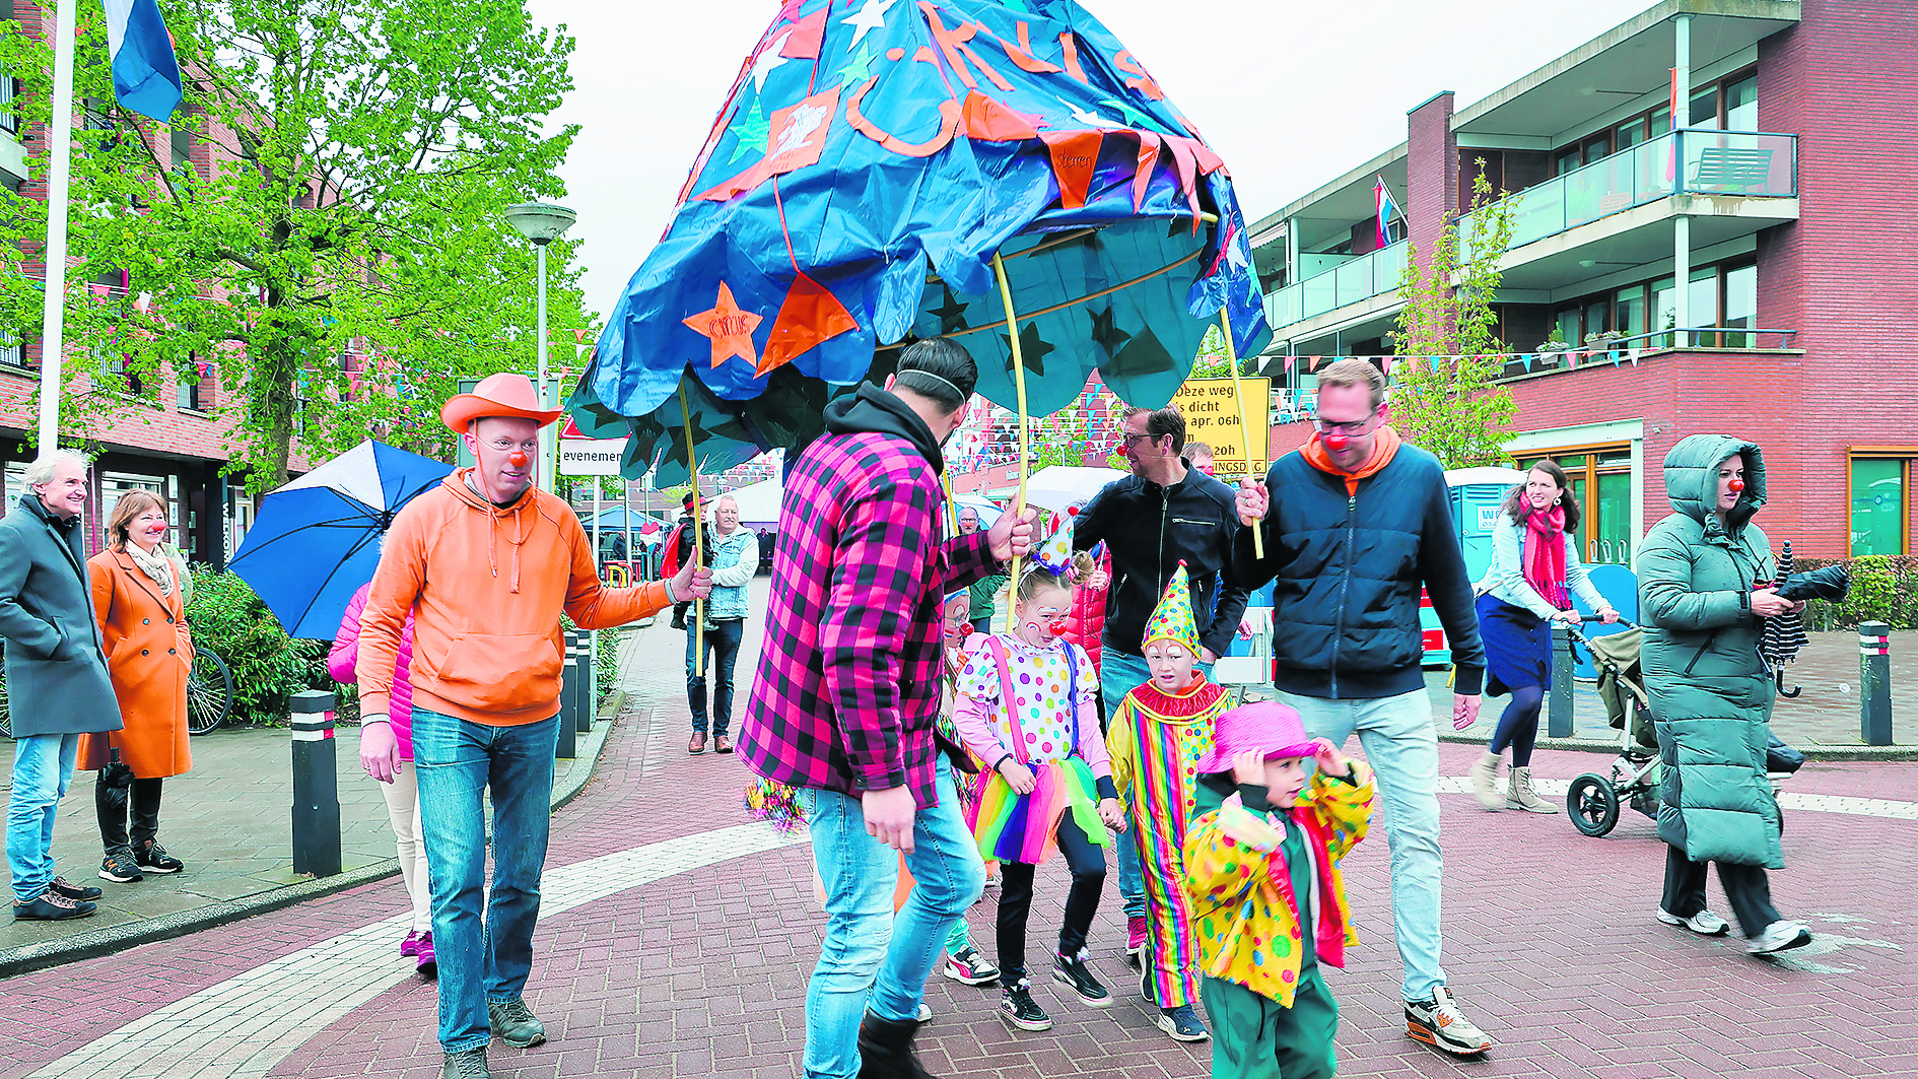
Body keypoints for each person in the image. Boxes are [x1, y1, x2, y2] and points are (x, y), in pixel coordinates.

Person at [355, 372, 711, 1079]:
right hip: (446, 719)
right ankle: (463, 1036)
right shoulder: (425, 519)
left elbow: (590, 605)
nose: (519, 455)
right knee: (456, 880)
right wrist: (373, 717)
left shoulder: (557, 520)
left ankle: (504, 992)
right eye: (505, 441)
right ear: (473, 441)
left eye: (529, 442)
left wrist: (666, 592)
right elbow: (381, 621)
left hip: (532, 722)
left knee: (520, 875)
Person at [739, 338, 1036, 1079]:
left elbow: (895, 574)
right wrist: (881, 778)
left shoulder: (832, 446)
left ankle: (885, 1034)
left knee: (955, 880)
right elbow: (855, 643)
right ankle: (833, 1069)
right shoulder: (905, 475)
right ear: (963, 416)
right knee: (856, 936)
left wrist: (982, 549)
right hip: (848, 740)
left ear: (893, 381)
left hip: (883, 727)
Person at [1232, 358, 1493, 1056]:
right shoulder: (1285, 476)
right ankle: (1278, 981)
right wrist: (1245, 524)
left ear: (1381, 413)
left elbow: (1447, 573)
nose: (1335, 436)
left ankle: (1425, 995)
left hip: (1396, 687)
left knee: (1419, 835)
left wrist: (1470, 665)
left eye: (1349, 424)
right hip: (1306, 689)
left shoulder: (1420, 474)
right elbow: (1247, 572)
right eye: (1323, 422)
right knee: (1290, 840)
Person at [1074, 403, 1248, 967]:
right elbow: (1070, 543)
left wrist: (1214, 647)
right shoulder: (1118, 497)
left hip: (1196, 666)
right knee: (1130, 789)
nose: (1123, 449)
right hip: (1126, 658)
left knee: (1196, 791)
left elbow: (1239, 584)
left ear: (1166, 443)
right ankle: (1138, 915)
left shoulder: (1218, 502)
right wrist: (1073, 563)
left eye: (1132, 440)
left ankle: (1195, 903)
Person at [1638, 435, 1812, 956]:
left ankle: (1681, 901)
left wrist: (1785, 603)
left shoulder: (1753, 537)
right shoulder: (1668, 537)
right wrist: (1745, 603)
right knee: (1729, 795)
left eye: (1741, 472)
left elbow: (1762, 596)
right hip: (1689, 683)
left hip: (1743, 682)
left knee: (1701, 789)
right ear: (1697, 479)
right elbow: (1663, 604)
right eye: (1724, 473)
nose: (1737, 483)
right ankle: (1761, 922)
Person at [951, 567, 1125, 1032]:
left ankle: (1070, 954)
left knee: (1092, 868)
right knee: (1018, 889)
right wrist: (1003, 762)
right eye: (1048, 613)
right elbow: (966, 716)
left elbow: (1089, 731)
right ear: (1020, 606)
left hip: (1066, 780)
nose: (1058, 623)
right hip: (1017, 782)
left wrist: (1106, 788)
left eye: (1065, 613)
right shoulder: (992, 653)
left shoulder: (1072, 657)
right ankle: (1014, 986)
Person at [1184, 703, 1375, 1079]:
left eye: (1300, 765)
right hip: (1239, 975)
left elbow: (1341, 832)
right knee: (1250, 1067)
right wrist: (1252, 809)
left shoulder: (1300, 816)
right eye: (1285, 766)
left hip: (1297, 967)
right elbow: (1209, 878)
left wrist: (1340, 781)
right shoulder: (1215, 822)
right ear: (1244, 771)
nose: (1300, 776)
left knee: (1313, 1052)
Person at [1106, 565, 1232, 1042]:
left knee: (1210, 910)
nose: (1162, 664)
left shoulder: (1219, 702)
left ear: (1193, 654)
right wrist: (1111, 800)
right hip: (1157, 831)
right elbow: (1115, 760)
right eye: (1154, 654)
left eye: (1173, 654)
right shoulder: (1134, 704)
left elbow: (1238, 760)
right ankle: (1174, 1000)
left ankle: (1216, 988)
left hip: (1211, 834)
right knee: (1170, 910)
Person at [0, 450, 119, 920]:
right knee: (33, 788)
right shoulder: (16, 532)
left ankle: (43, 875)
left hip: (71, 676)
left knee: (54, 786)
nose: (82, 490)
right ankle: (29, 891)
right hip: (46, 678)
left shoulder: (60, 531)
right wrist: (56, 641)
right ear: (40, 486)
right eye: (71, 482)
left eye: (84, 484)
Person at [1469, 461, 1618, 813]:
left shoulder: (1561, 528)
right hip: (1500, 611)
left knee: (1534, 699)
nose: (1536, 490)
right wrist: (1553, 612)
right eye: (1531, 484)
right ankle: (1487, 767)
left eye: (1544, 485)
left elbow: (1574, 574)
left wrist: (1603, 605)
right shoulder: (1510, 521)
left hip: (1535, 616)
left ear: (1559, 492)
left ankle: (1520, 785)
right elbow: (1512, 578)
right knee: (1527, 696)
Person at [83, 490, 194, 885]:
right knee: (118, 766)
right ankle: (114, 853)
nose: (154, 523)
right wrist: (109, 670)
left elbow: (178, 620)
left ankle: (145, 844)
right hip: (123, 683)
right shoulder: (104, 566)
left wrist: (182, 656)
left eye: (159, 515)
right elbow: (92, 629)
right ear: (125, 522)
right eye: (144, 516)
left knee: (153, 762)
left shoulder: (165, 564)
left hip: (164, 678)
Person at [330, 579, 435, 978]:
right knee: (405, 834)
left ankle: (430, 928)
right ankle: (420, 916)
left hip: (443, 733)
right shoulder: (368, 596)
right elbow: (338, 666)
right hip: (389, 734)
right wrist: (374, 636)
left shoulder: (446, 588)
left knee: (427, 834)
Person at [936, 590, 999, 989]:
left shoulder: (960, 659)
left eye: (963, 615)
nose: (960, 625)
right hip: (894, 767)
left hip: (946, 766)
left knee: (951, 863)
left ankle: (957, 948)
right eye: (952, 616)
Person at [688, 494, 757, 755]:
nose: (729, 516)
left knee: (724, 678)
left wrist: (711, 575)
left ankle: (721, 733)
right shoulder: (699, 533)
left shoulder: (747, 539)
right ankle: (699, 728)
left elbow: (744, 573)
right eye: (725, 511)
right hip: (699, 615)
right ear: (715, 514)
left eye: (734, 512)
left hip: (731, 616)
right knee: (695, 671)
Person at [957, 506, 1007, 635]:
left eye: (971, 519)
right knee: (958, 651)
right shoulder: (953, 545)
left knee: (980, 647)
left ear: (977, 521)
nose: (968, 523)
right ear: (959, 521)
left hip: (981, 610)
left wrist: (987, 590)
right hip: (958, 612)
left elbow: (1001, 572)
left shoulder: (987, 544)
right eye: (964, 519)